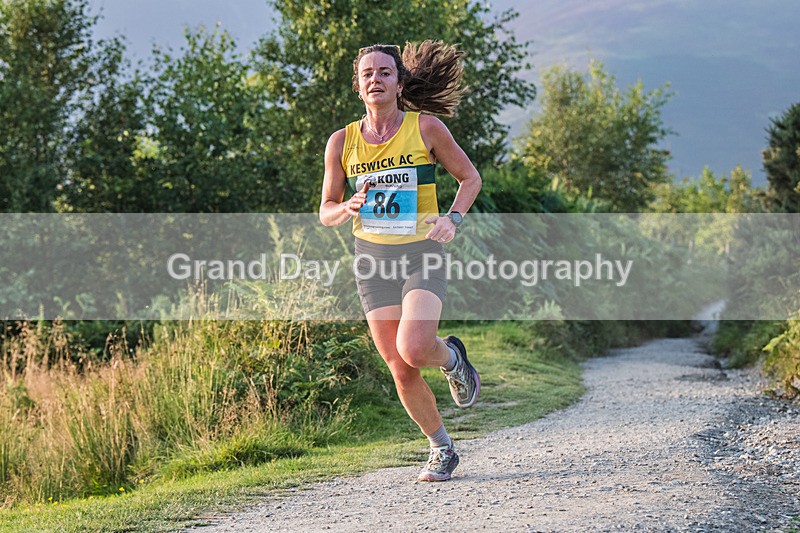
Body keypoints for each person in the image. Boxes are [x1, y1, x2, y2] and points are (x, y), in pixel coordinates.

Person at [319, 41, 482, 482]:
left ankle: (452, 360)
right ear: (358, 86)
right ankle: (442, 449)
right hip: (372, 259)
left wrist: (453, 218)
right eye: (367, 73)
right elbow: (326, 210)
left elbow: (470, 178)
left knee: (414, 347)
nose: (376, 79)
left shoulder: (425, 127)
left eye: (385, 72)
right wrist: (348, 206)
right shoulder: (342, 141)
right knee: (400, 367)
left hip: (420, 251)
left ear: (399, 82)